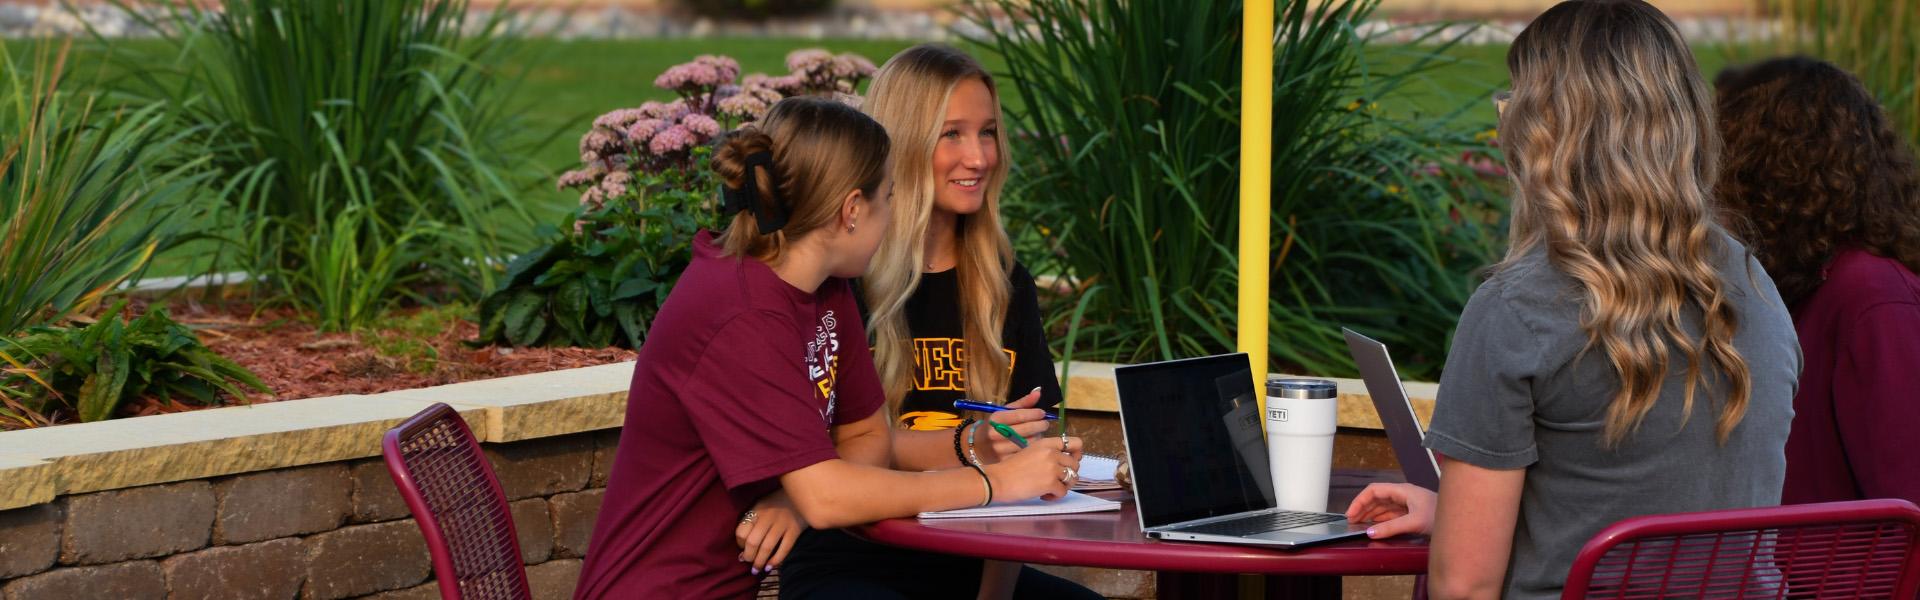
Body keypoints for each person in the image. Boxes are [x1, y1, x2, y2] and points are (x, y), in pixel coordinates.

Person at [1342, 2, 1801, 599]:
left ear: (1545, 131)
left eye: (1511, 102)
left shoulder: (1517, 308)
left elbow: (1464, 587)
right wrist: (1451, 513)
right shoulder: (1756, 287)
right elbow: (1652, 503)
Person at [573, 96, 1083, 599]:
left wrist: (794, 497)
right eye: (887, 196)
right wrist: (994, 483)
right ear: (852, 210)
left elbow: (866, 436)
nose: (894, 212)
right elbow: (827, 496)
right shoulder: (740, 311)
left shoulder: (824, 288)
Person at [771, 43, 1101, 600]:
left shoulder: (1005, 283)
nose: (979, 157)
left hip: (974, 560)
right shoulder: (844, 278)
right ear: (902, 142)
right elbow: (827, 454)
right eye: (953, 134)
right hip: (852, 559)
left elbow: (1021, 461)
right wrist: (970, 446)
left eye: (988, 132)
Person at [1712, 56, 1920, 507]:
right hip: (1770, 571)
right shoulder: (1786, 279)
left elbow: (1908, 502)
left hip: (1838, 577)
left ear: (1762, 166)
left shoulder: (1873, 296)